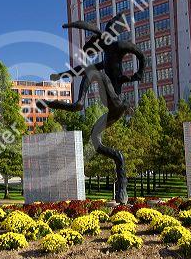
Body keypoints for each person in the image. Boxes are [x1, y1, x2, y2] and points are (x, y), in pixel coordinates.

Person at [36, 12, 145, 204]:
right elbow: (79, 70)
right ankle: (122, 184)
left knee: (92, 72)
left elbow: (141, 54)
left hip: (118, 102)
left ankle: (76, 103)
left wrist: (138, 74)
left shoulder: (119, 46)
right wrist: (60, 75)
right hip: (113, 109)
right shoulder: (106, 58)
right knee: (95, 140)